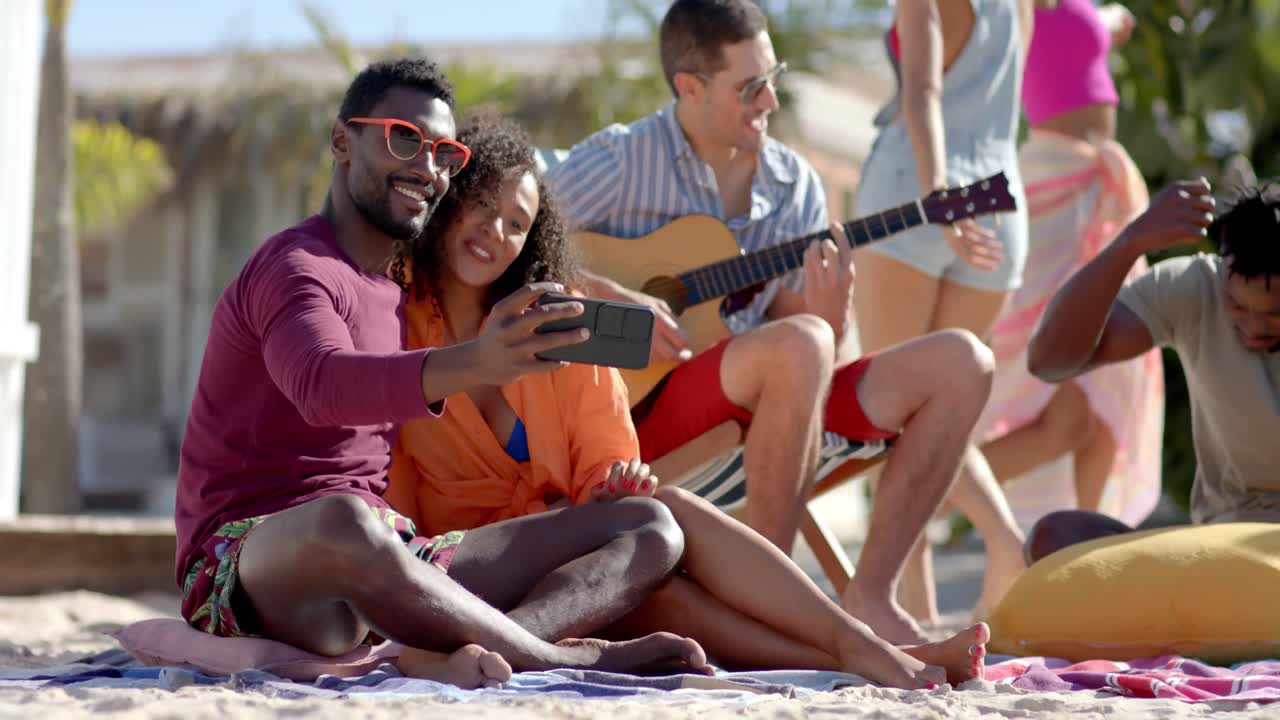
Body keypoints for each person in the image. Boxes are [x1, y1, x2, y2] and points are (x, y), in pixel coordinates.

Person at [387, 109, 990, 689]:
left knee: (663, 542)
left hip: (568, 567)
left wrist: (610, 484)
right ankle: (875, 652)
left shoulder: (562, 326)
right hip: (464, 575)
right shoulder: (395, 324)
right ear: (450, 198)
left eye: (517, 223)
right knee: (652, 552)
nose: (496, 232)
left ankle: (863, 651)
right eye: (483, 207)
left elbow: (602, 459)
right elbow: (389, 496)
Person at [174, 58, 711, 689]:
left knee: (649, 524)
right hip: (245, 563)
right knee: (344, 518)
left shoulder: (398, 289)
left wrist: (596, 293)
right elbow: (324, 385)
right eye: (404, 138)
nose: (426, 169)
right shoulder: (296, 269)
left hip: (389, 556)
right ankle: (561, 659)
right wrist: (478, 361)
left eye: (443, 154)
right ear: (344, 141)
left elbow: (494, 250)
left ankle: (508, 644)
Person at [547, 0, 1021, 644]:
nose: (769, 100)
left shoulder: (792, 180)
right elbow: (514, 236)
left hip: (775, 402)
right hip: (641, 418)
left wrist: (830, 309)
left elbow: (802, 327)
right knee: (800, 345)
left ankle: (869, 592)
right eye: (750, 87)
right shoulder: (623, 159)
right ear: (689, 88)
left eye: (773, 77)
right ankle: (772, 598)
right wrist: (609, 293)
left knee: (965, 361)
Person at [849, 0, 1035, 628]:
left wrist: (937, 196)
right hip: (1000, 205)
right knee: (943, 411)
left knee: (890, 417)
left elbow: (924, 90)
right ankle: (926, 601)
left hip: (917, 197)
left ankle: (927, 589)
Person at [974, 0, 1164, 535]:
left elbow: (1090, 30)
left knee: (1110, 387)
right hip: (1054, 187)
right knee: (1066, 418)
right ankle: (928, 489)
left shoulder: (1076, 6)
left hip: (1102, 197)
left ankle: (1091, 552)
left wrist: (1109, 22)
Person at [1025, 179, 1279, 561]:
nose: (1254, 327)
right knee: (1056, 538)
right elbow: (1049, 360)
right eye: (1237, 306)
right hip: (1222, 555)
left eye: (1275, 314)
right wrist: (1131, 242)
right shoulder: (1194, 288)